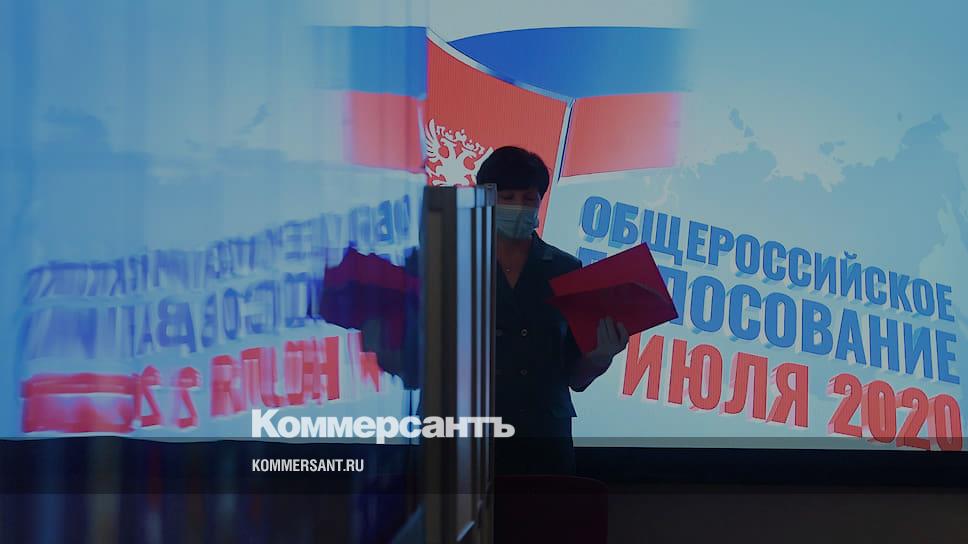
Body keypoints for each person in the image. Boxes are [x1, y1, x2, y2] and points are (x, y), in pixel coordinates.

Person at [478, 146, 629, 475]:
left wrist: (600, 356)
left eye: (529, 198)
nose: (519, 207)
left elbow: (576, 377)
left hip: (542, 438)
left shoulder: (566, 269)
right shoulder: (450, 260)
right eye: (508, 197)